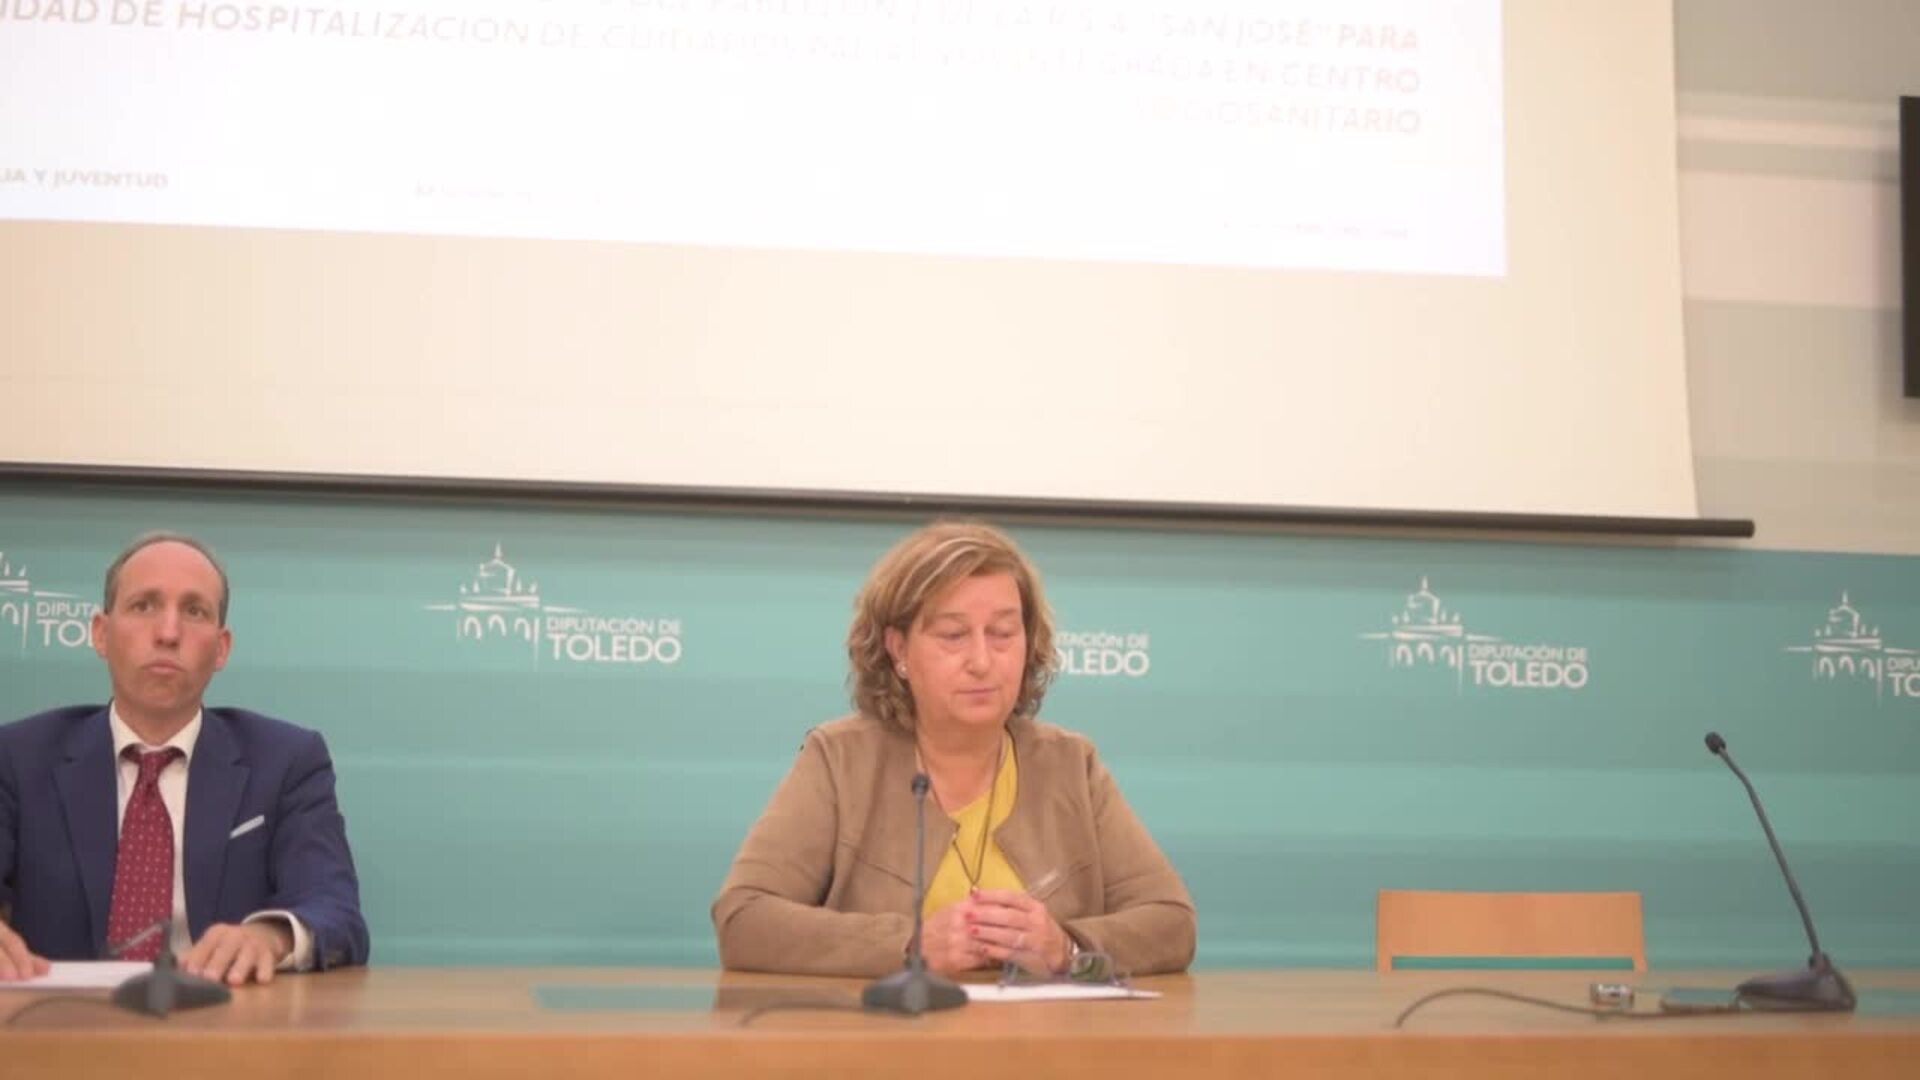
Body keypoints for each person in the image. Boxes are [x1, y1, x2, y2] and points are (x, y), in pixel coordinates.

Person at [713, 520, 1195, 978]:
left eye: (1003, 633)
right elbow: (745, 919)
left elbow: (1171, 924)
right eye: (953, 635)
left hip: (1043, 1034)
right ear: (899, 650)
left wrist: (1066, 949)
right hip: (887, 1034)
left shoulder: (1070, 764)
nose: (982, 661)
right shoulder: (839, 760)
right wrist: (908, 947)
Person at [0, 532, 369, 983]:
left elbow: (335, 911)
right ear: (100, 633)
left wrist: (270, 937)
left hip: (226, 1012)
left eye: (194, 611)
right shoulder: (17, 758)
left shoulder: (287, 761)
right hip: (60, 1016)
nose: (168, 633)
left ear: (222, 647)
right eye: (144, 606)